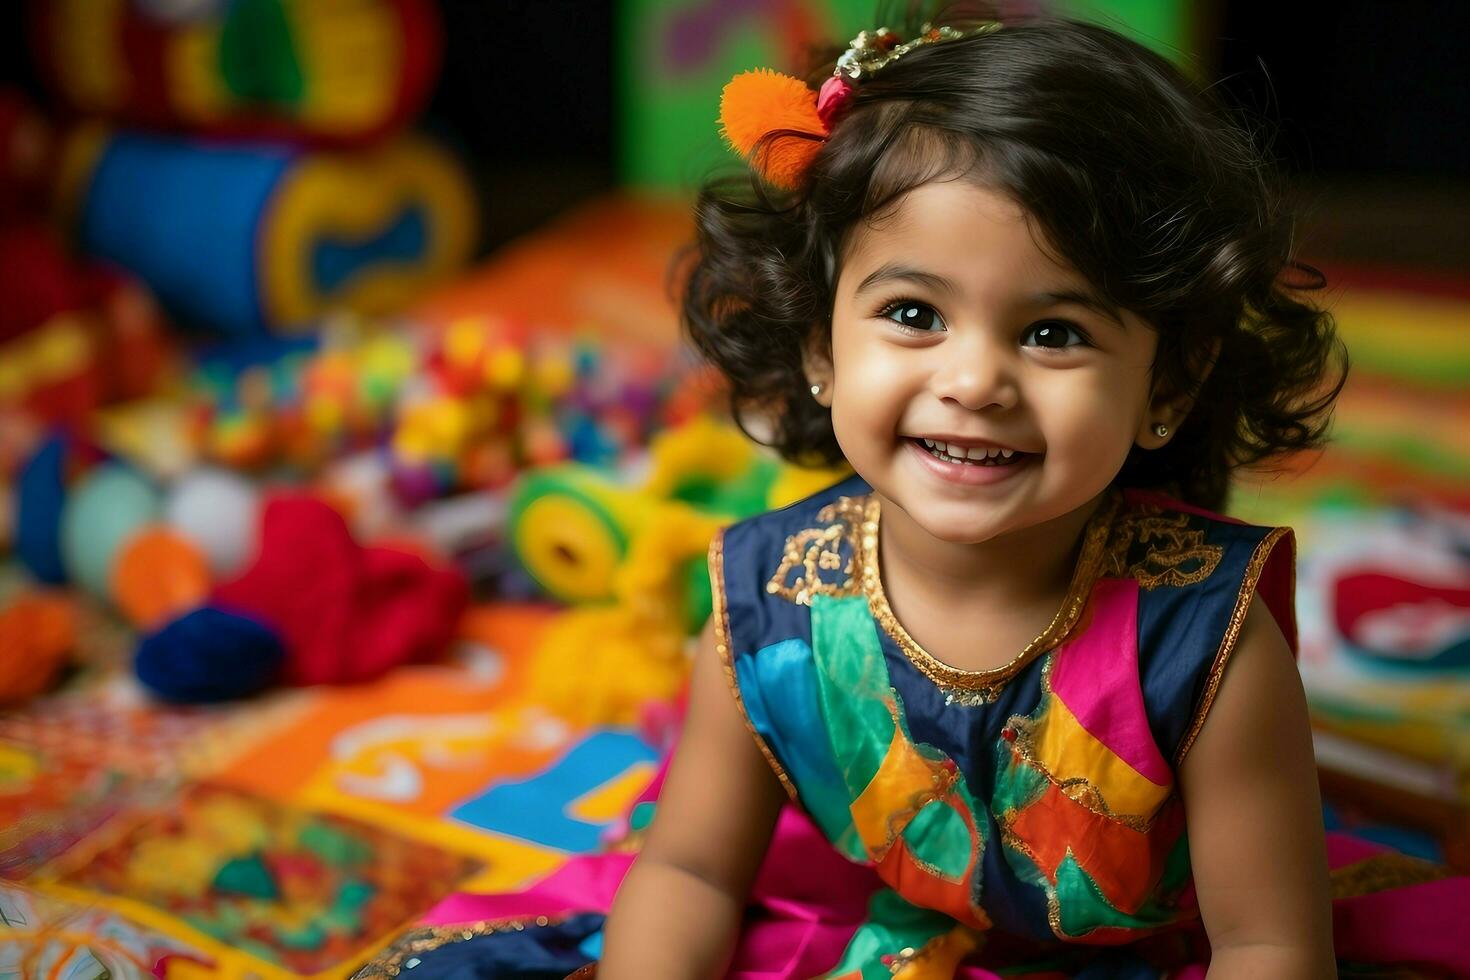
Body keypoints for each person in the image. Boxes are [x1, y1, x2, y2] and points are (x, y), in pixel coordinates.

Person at [353, 6, 1468, 979]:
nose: (975, 379)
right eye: (914, 313)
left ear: (1164, 384)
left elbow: (1270, 945)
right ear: (820, 347)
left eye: (1052, 331)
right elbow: (690, 867)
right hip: (882, 936)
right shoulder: (766, 604)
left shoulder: (1206, 643)